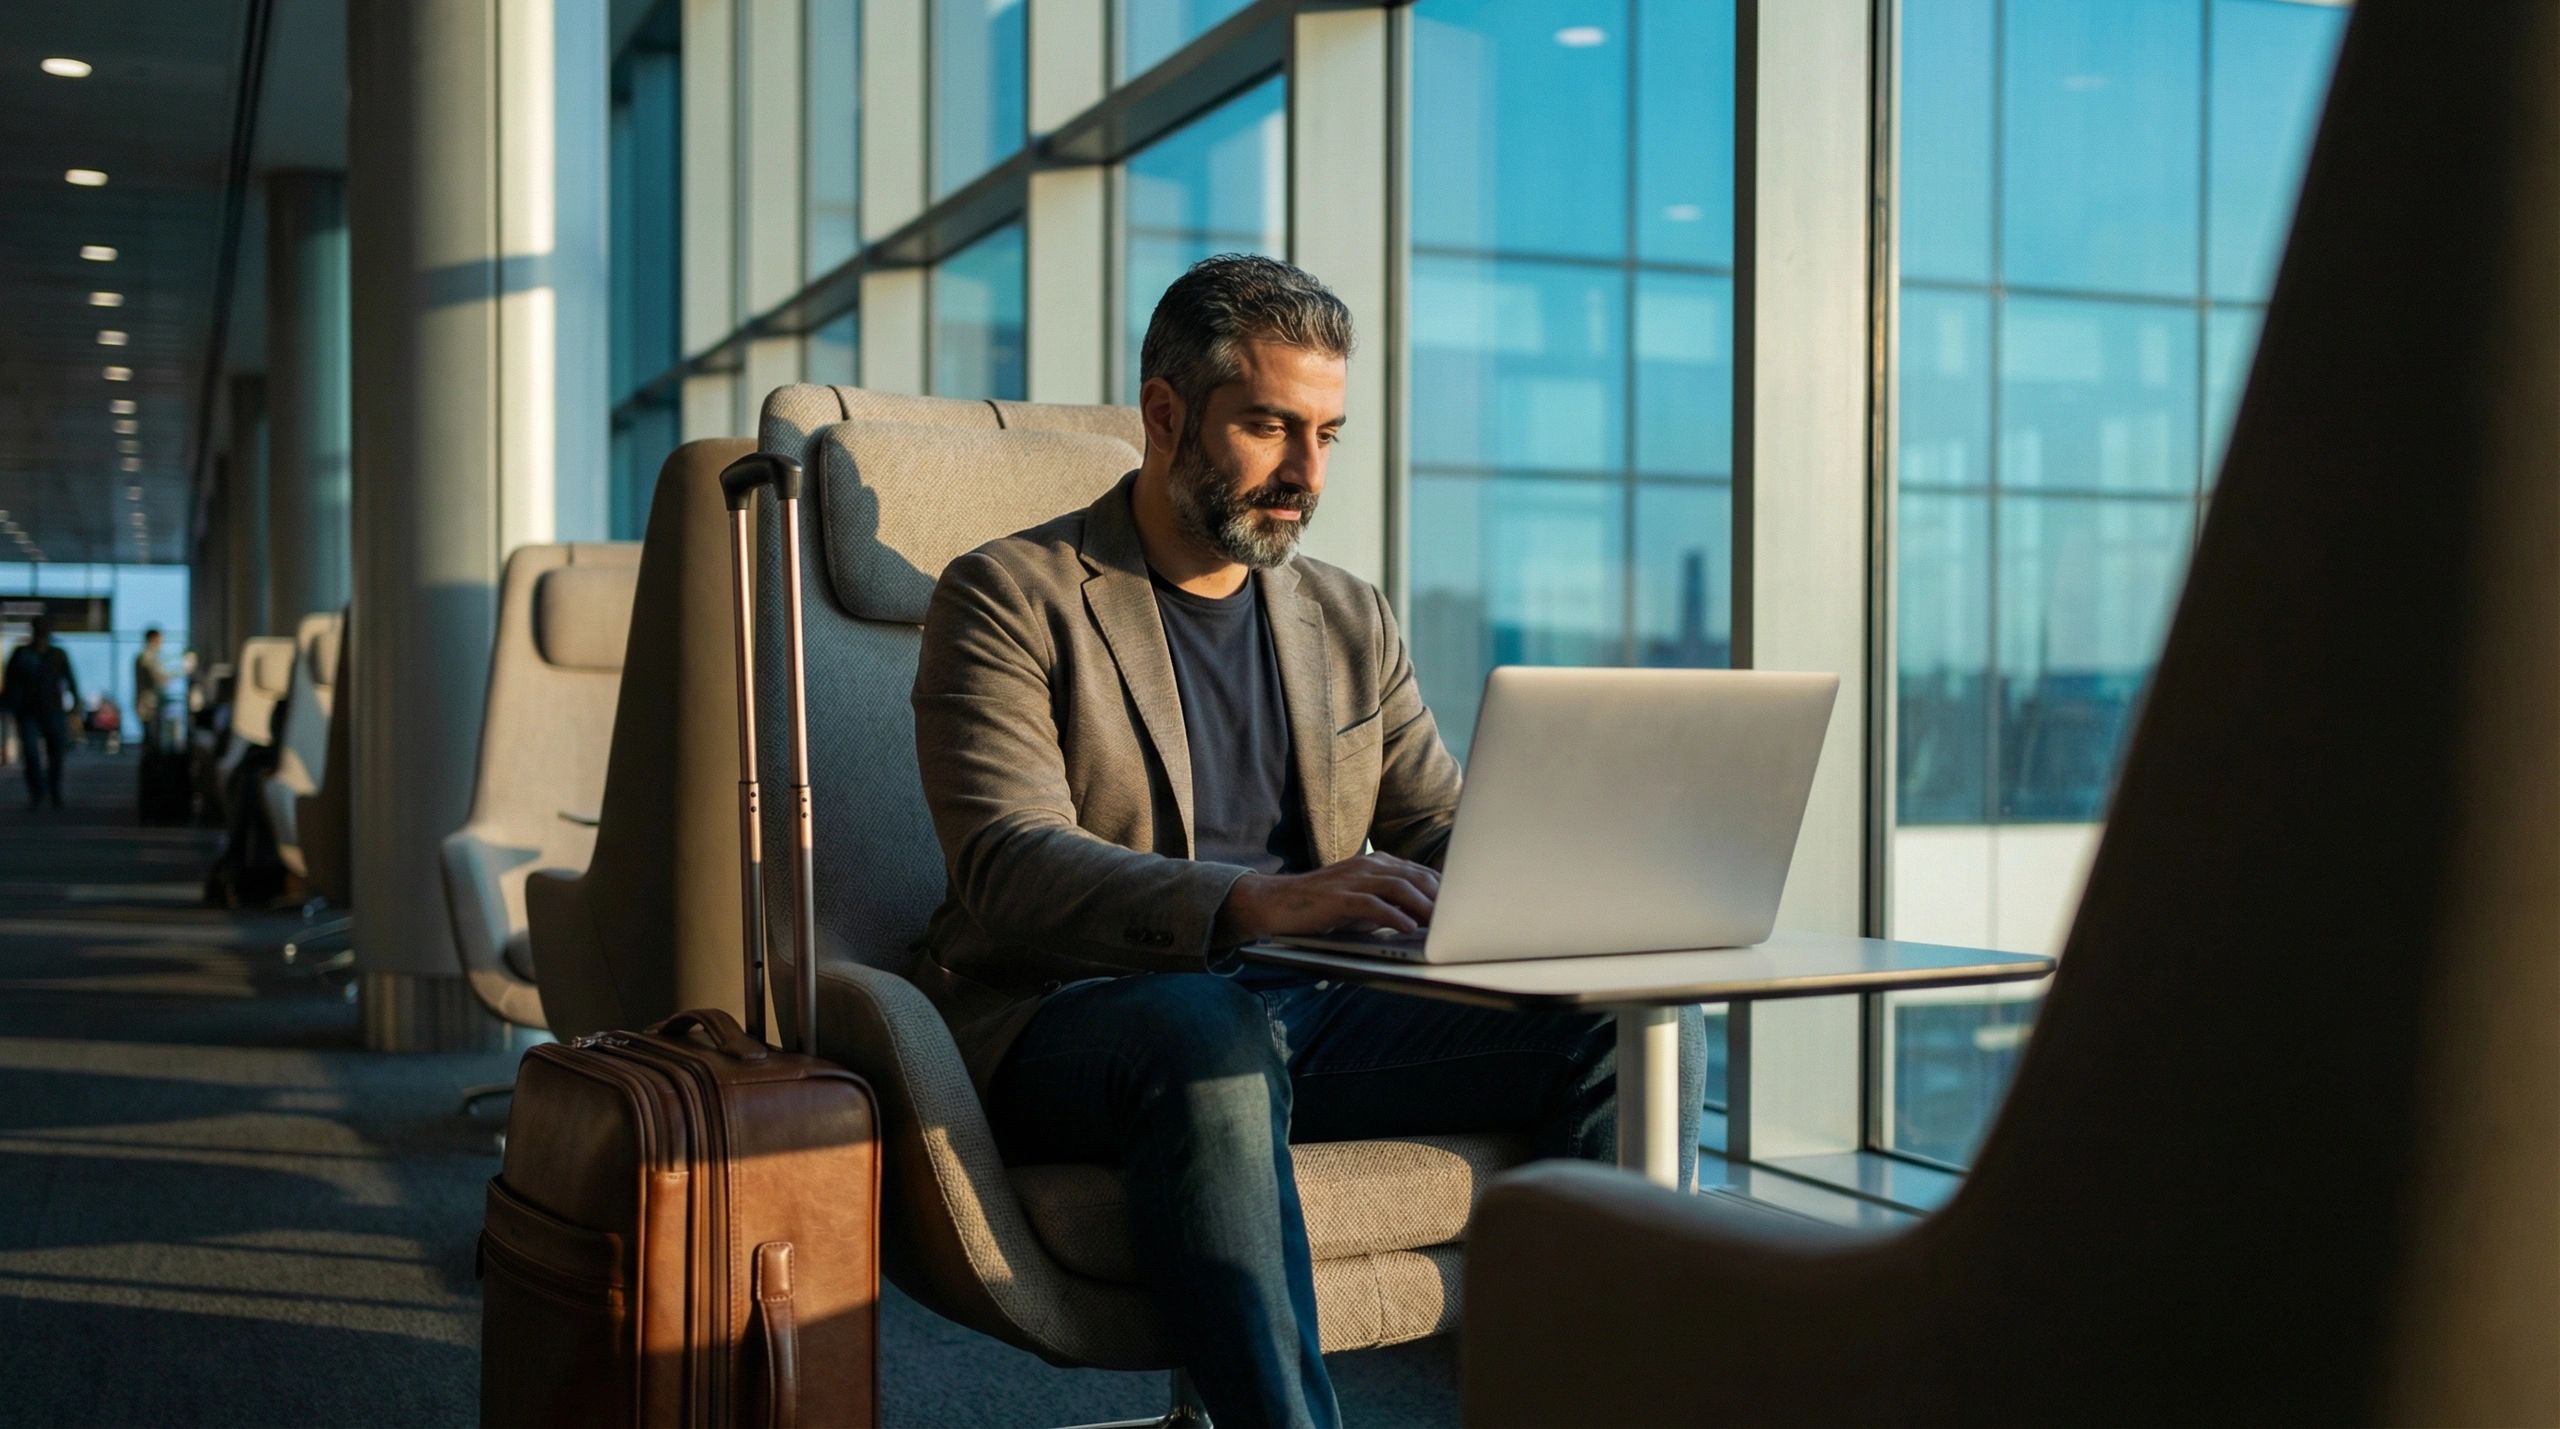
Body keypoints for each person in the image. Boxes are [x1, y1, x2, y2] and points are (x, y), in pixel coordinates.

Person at [910, 254, 1704, 1428]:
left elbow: (1436, 824)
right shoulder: (1009, 596)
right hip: (1081, 1016)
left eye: (1329, 432)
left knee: (1610, 1023)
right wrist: (1248, 904)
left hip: (1316, 1008)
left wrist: (1594, 876)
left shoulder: (1348, 615)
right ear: (1166, 412)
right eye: (1271, 427)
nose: (1306, 472)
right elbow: (1006, 861)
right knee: (1207, 1021)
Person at [2, 618, 79, 808]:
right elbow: (11, 684)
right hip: (29, 712)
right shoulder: (23, 654)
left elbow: (70, 680)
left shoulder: (56, 655)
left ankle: (52, 790)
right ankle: (39, 791)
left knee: (55, 753)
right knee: (31, 753)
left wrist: (75, 707)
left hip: (51, 710)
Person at [133, 628, 168, 745]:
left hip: (146, 703)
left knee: (150, 738)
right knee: (151, 739)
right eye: (160, 639)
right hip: (148, 704)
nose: (161, 643)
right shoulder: (147, 657)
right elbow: (157, 678)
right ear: (153, 639)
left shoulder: (145, 656)